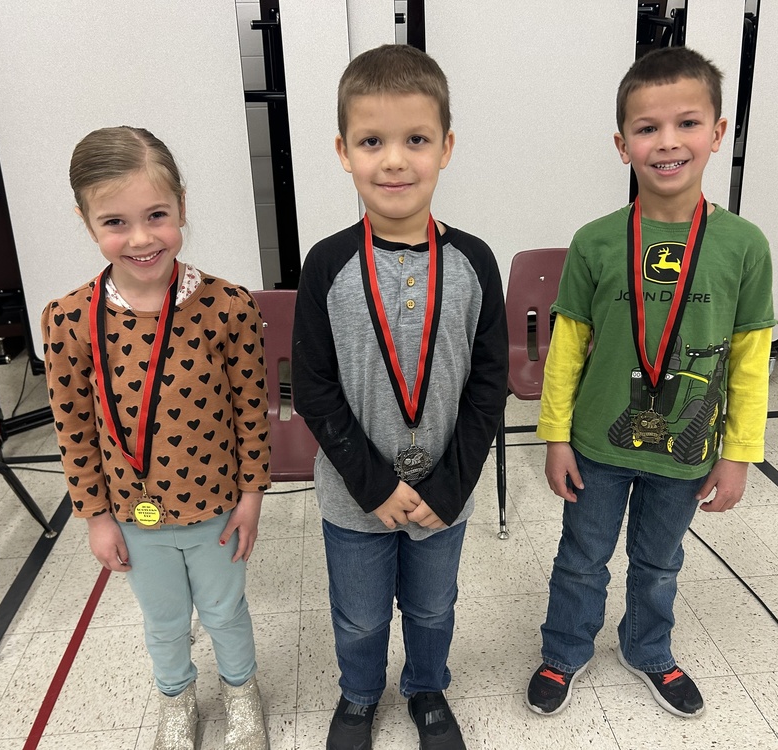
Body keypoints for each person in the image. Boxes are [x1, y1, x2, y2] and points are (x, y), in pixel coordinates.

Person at [526, 47, 775, 720]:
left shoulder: (745, 245)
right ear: (622, 143)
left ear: (718, 133)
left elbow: (751, 359)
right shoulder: (596, 241)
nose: (667, 142)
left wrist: (738, 452)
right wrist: (554, 436)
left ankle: (647, 648)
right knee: (581, 558)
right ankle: (565, 648)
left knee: (660, 563)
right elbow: (567, 348)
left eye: (687, 123)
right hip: (598, 443)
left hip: (687, 450)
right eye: (646, 128)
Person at [292, 45, 509, 750]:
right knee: (357, 614)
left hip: (445, 490)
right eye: (372, 142)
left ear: (446, 148)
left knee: (433, 606)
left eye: (415, 140)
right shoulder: (327, 262)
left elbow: (487, 384)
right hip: (354, 496)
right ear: (342, 151)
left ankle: (426, 687)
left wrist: (446, 487)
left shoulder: (474, 260)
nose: (394, 160)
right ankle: (359, 695)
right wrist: (373, 485)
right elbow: (314, 386)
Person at [42, 126, 272, 750]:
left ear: (182, 208)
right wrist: (94, 517)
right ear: (86, 220)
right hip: (134, 512)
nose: (141, 238)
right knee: (164, 620)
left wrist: (252, 494)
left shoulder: (228, 306)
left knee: (225, 612)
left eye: (157, 216)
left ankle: (241, 689)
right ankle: (176, 696)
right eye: (116, 221)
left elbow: (253, 409)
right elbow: (73, 428)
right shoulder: (68, 319)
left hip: (218, 507)